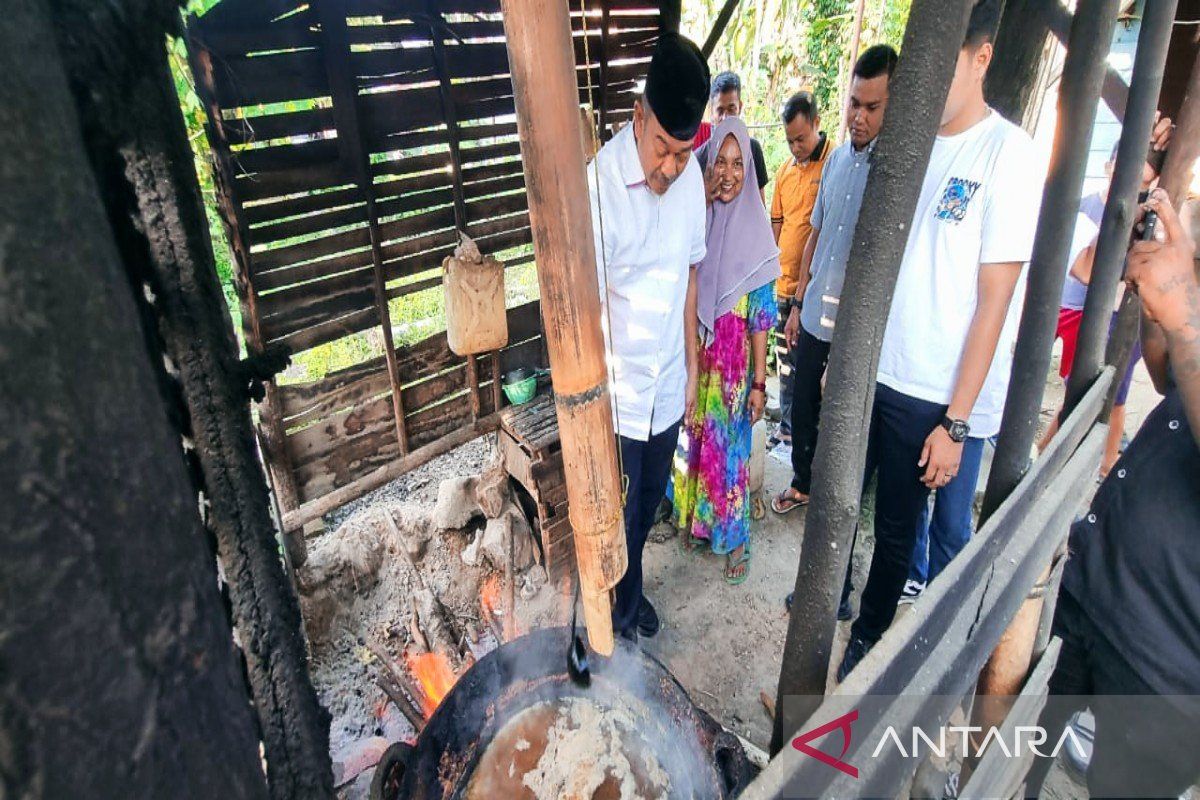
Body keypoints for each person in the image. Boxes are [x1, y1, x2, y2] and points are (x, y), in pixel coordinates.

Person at [837, 0, 1043, 682]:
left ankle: (869, 637)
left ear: (980, 58)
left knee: (898, 529)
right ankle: (836, 605)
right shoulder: (908, 145)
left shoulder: (1008, 153)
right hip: (873, 366)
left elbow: (994, 304)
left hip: (928, 391)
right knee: (839, 497)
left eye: (942, 62)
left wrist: (956, 422)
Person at [1023, 189, 1200, 799]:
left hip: (1168, 671)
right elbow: (1168, 374)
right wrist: (1160, 310)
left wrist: (1185, 317)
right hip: (1096, 588)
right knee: (1016, 757)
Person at [901, 216, 1098, 603]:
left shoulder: (1039, 197)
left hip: (974, 395)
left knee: (954, 519)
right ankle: (914, 577)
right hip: (924, 378)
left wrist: (1127, 206)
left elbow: (1089, 268)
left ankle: (943, 605)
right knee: (913, 496)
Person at [586, 32, 710, 643]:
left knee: (651, 501)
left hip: (664, 385)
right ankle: (614, 618)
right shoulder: (601, 185)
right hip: (618, 390)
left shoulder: (689, 181)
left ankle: (628, 596)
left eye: (683, 154)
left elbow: (690, 279)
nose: (669, 167)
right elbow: (584, 304)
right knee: (620, 515)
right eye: (662, 148)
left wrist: (690, 369)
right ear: (638, 116)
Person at [772, 44, 898, 515]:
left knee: (842, 420)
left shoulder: (893, 173)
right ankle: (803, 483)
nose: (859, 117)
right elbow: (815, 239)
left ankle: (835, 502)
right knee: (802, 407)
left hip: (855, 324)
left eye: (871, 108)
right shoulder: (838, 163)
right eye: (854, 104)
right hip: (813, 315)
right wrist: (799, 304)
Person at [672, 117, 779, 584]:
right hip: (698, 353)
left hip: (734, 363)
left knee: (729, 452)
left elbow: (761, 319)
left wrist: (759, 382)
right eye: (721, 161)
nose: (730, 173)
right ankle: (699, 524)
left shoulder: (758, 234)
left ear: (750, 170)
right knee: (695, 442)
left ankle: (735, 539)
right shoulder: (697, 219)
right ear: (708, 163)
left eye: (739, 164)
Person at [1039, 117, 1175, 476]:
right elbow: (1084, 269)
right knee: (1081, 388)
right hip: (1090, 308)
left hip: (1124, 314)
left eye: (1146, 179)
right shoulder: (1088, 209)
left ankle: (1104, 459)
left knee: (1110, 393)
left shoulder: (1156, 218)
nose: (1133, 184)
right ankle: (1057, 453)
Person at [769, 91, 830, 447]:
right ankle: (788, 427)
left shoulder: (834, 161)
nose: (795, 148)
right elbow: (776, 224)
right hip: (783, 282)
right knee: (785, 362)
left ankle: (808, 431)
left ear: (817, 125)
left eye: (801, 139)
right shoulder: (784, 172)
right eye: (790, 141)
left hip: (814, 289)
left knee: (809, 366)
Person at [693, 72, 769, 204]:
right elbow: (692, 213)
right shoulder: (699, 158)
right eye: (720, 110)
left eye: (731, 109)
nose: (725, 117)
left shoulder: (753, 151)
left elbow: (760, 205)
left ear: (740, 107)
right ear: (711, 111)